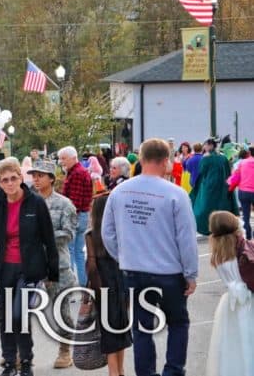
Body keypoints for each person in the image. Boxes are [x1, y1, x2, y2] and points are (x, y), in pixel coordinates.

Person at [102, 138, 198, 376]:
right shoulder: (175, 194)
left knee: (142, 328)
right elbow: (186, 238)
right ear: (166, 161)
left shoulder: (119, 192)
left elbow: (108, 233)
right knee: (177, 323)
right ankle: (173, 370)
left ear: (141, 159)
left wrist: (123, 256)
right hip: (169, 273)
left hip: (134, 271)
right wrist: (191, 273)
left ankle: (146, 373)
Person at [0, 157, 59, 376]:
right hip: (5, 269)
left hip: (29, 269)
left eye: (13, 178)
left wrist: (53, 271)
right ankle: (10, 362)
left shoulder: (35, 203)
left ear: (21, 178)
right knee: (6, 317)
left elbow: (48, 239)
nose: (10, 183)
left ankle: (26, 363)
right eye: (5, 180)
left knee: (19, 315)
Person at [27, 160, 77, 369]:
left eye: (41, 175)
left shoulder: (64, 204)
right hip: (32, 265)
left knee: (61, 310)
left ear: (51, 179)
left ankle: (65, 350)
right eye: (34, 175)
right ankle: (21, 353)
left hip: (58, 266)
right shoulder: (27, 202)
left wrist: (43, 235)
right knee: (22, 310)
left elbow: (69, 234)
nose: (36, 179)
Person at [85, 193, 132, 376]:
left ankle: (113, 372)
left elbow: (91, 268)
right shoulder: (120, 233)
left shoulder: (91, 235)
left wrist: (89, 294)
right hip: (121, 284)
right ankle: (120, 370)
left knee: (109, 332)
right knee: (121, 329)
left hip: (102, 287)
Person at [205, 211, 254, 376]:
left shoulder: (218, 256)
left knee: (234, 345)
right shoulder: (243, 250)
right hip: (249, 300)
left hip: (231, 304)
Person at [58, 146, 92, 287]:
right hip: (82, 215)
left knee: (70, 251)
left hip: (75, 216)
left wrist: (65, 219)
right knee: (78, 252)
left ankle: (69, 286)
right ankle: (83, 285)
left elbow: (74, 203)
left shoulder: (77, 173)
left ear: (73, 157)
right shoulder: (78, 171)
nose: (61, 161)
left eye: (64, 158)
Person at [190, 138, 238, 236]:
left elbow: (202, 171)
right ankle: (223, 226)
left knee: (206, 207)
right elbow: (228, 173)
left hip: (209, 187)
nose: (204, 147)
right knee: (222, 206)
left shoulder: (206, 158)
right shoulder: (223, 157)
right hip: (222, 187)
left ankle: (209, 227)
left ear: (211, 145)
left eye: (206, 145)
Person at [228, 145, 254, 239]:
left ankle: (248, 236)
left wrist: (230, 188)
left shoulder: (242, 163)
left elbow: (236, 178)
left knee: (245, 216)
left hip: (243, 192)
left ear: (249, 153)